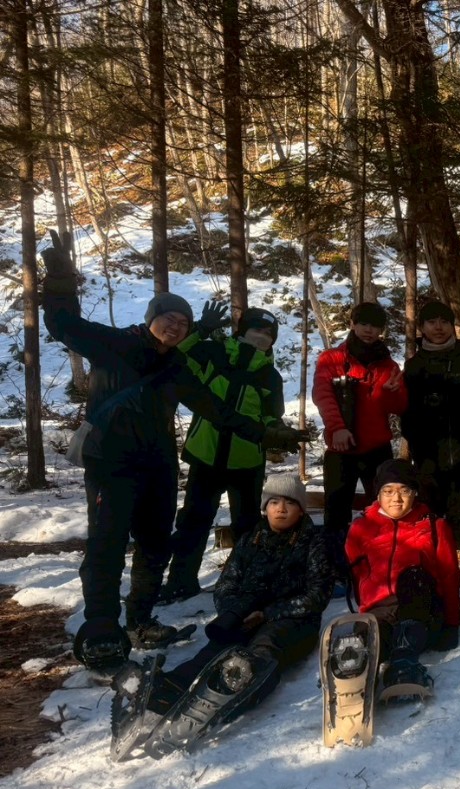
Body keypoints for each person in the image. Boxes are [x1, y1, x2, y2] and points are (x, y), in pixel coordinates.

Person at [40, 232, 307, 666]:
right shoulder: (114, 344)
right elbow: (62, 324)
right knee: (107, 544)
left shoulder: (176, 366)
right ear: (152, 318)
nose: (175, 327)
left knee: (154, 544)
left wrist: (267, 434)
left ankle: (141, 619)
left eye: (182, 324)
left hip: (158, 465)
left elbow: (217, 409)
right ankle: (102, 626)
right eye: (169, 319)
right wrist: (59, 279)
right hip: (111, 462)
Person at [138, 473, 336, 721]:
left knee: (263, 648)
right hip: (246, 615)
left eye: (290, 502)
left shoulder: (314, 543)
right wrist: (235, 611)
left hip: (292, 620)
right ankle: (171, 688)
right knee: (217, 648)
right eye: (274, 502)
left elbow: (317, 595)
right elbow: (226, 585)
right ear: (265, 508)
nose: (281, 509)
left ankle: (231, 695)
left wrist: (267, 614)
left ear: (301, 509)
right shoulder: (250, 540)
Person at [159, 307, 289, 604]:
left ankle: (243, 581)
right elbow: (177, 355)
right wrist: (201, 330)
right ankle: (181, 581)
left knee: (246, 525)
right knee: (193, 521)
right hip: (206, 454)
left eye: (269, 335)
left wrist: (278, 432)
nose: (262, 337)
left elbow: (271, 417)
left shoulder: (270, 375)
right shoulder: (213, 353)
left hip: (247, 461)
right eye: (257, 330)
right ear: (241, 330)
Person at [401, 299, 460, 620]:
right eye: (431, 322)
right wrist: (418, 449)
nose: (438, 327)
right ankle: (430, 579)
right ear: (423, 327)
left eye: (444, 321)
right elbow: (406, 415)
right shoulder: (415, 366)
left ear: (452, 324)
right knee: (429, 520)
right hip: (428, 459)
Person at [345, 459, 460, 695]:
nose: (396, 498)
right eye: (388, 491)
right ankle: (355, 677)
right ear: (378, 494)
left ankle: (403, 663)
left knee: (414, 576)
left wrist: (451, 623)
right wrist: (367, 608)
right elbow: (356, 574)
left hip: (421, 610)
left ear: (415, 494)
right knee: (373, 637)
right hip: (380, 612)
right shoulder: (362, 527)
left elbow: (449, 576)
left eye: (404, 491)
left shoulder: (433, 526)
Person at [313, 301, 408, 560]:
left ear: (381, 331)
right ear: (352, 324)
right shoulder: (331, 358)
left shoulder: (388, 366)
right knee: (336, 510)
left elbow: (399, 407)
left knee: (383, 507)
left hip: (377, 448)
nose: (368, 330)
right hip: (340, 447)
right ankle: (334, 564)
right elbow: (323, 396)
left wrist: (392, 392)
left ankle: (380, 560)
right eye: (363, 323)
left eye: (375, 326)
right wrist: (337, 429)